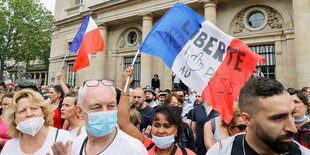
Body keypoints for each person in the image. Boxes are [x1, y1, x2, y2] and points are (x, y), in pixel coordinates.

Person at [207, 77, 309, 154]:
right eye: (278, 118)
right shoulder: (221, 152)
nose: (293, 129)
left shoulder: (303, 152)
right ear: (247, 119)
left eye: (292, 114)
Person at [118, 66, 195, 154]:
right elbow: (124, 122)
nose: (161, 131)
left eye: (167, 126)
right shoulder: (145, 145)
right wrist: (125, 85)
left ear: (176, 129)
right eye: (157, 125)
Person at [70, 79, 147, 155]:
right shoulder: (75, 145)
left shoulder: (134, 149)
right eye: (97, 107)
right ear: (80, 112)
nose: (105, 112)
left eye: (111, 106)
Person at [1, 89, 72, 154]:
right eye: (22, 111)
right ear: (14, 118)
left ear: (43, 112)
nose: (29, 114)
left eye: (34, 108)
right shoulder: (9, 146)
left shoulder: (63, 138)